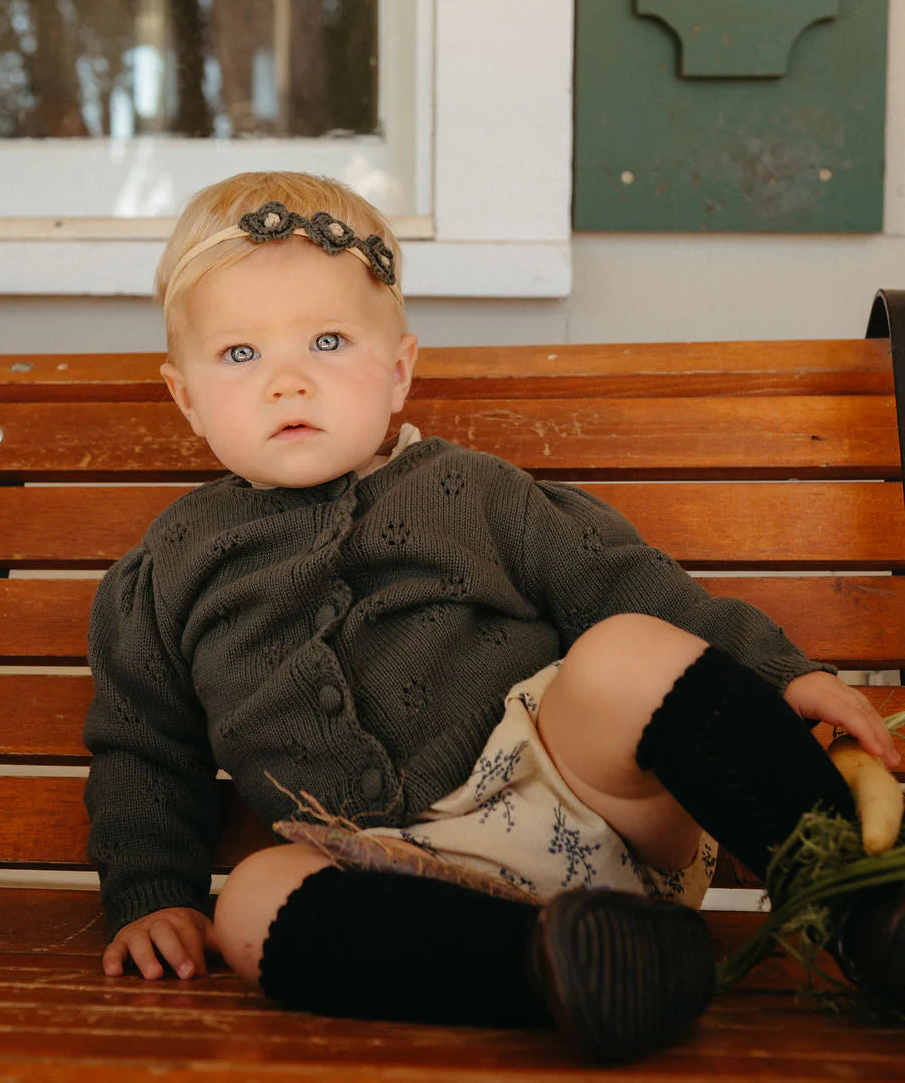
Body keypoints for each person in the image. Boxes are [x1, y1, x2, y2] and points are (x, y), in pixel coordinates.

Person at [84, 170, 902, 1063]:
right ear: (186, 397)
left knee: (626, 649)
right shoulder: (167, 570)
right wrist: (152, 893)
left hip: (579, 795)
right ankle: (574, 970)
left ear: (399, 370)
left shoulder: (473, 493)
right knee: (250, 902)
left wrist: (782, 671)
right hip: (390, 879)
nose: (288, 382)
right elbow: (143, 748)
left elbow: (629, 580)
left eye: (327, 341)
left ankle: (867, 910)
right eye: (241, 353)